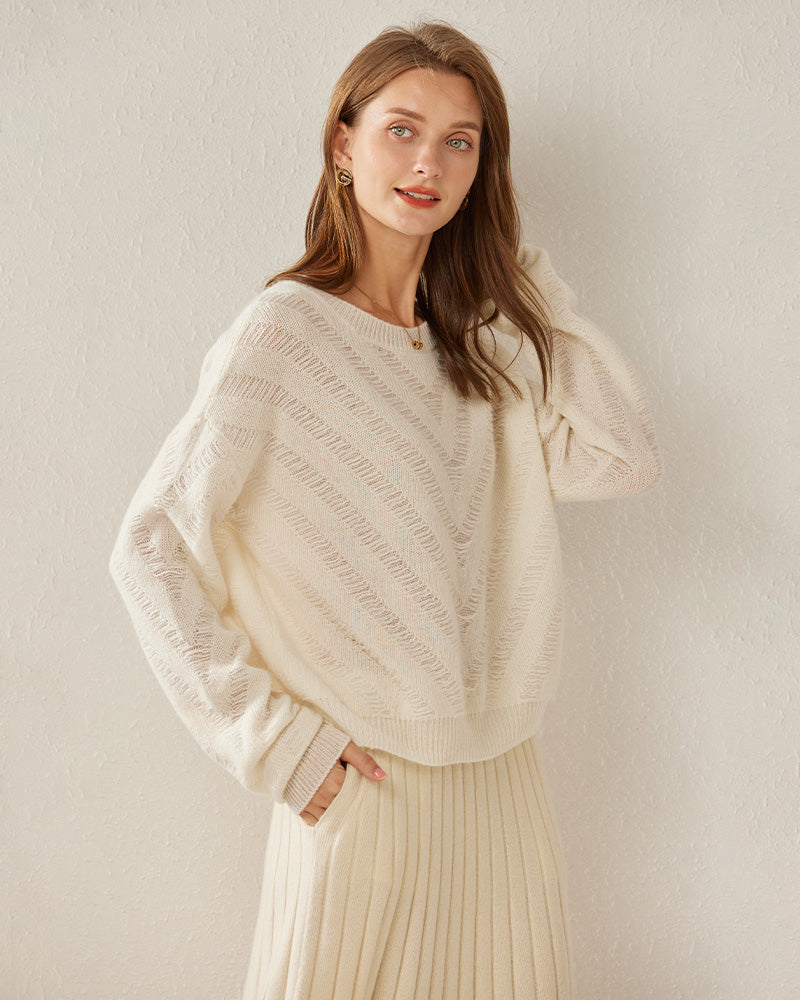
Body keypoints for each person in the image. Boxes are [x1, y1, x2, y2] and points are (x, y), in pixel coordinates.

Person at [109, 19, 661, 1000]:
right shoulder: (284, 335)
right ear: (343, 142)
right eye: (401, 129)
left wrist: (522, 283)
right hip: (364, 788)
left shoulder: (478, 354)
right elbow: (150, 548)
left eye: (460, 141)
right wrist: (275, 743)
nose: (428, 163)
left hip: (501, 785)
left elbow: (621, 455)